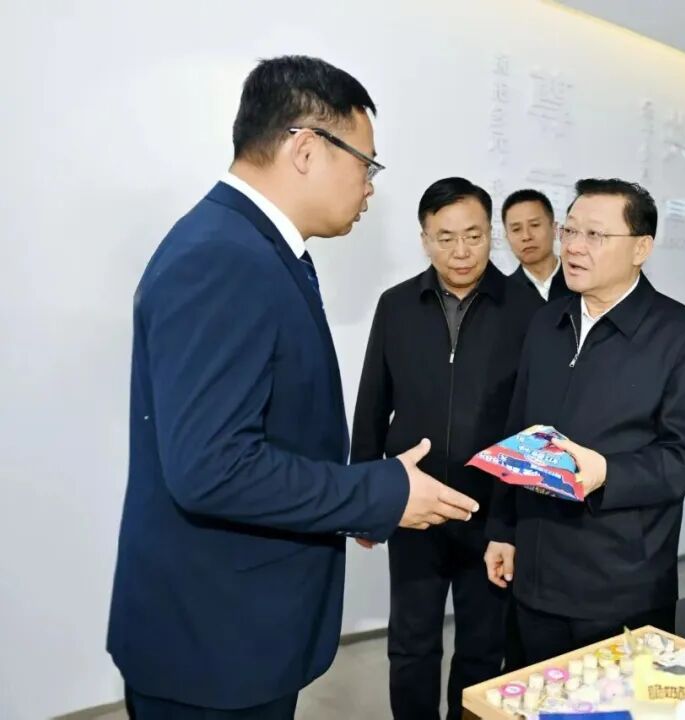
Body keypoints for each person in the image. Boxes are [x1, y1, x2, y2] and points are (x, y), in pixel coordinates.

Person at [107, 56, 478, 719]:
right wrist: (378, 493)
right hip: (214, 646)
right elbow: (213, 468)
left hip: (233, 631)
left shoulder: (249, 246)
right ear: (306, 149)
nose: (369, 188)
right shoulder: (225, 258)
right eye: (366, 164)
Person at [484, 178, 685, 663]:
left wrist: (608, 472)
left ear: (641, 248)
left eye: (595, 235)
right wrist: (502, 529)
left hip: (621, 585)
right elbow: (518, 433)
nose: (573, 246)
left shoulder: (682, 337)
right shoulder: (547, 323)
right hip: (534, 577)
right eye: (570, 231)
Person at [351, 177, 542, 719]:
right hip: (414, 504)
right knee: (411, 644)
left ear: (490, 235)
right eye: (445, 238)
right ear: (425, 239)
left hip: (491, 509)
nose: (461, 251)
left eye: (473, 236)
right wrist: (365, 497)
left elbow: (537, 418)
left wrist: (512, 519)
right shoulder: (396, 305)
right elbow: (372, 401)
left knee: (483, 647)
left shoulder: (528, 310)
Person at [503, 188, 572, 302]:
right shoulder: (501, 296)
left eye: (535, 225)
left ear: (554, 229)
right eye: (516, 229)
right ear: (507, 238)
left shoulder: (583, 283)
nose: (526, 236)